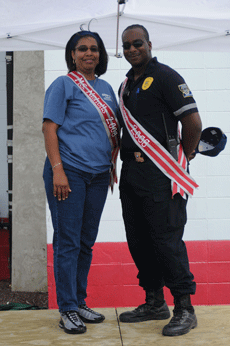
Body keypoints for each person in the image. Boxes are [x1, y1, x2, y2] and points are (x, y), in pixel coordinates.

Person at [118, 24, 202, 337]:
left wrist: (187, 157)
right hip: (132, 174)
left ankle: (184, 307)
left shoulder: (167, 76)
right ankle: (154, 302)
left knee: (167, 241)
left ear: (149, 43)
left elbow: (193, 122)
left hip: (161, 174)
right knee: (139, 240)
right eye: (126, 46)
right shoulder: (127, 83)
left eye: (137, 43)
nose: (131, 50)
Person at [42, 31, 120, 334]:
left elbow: (113, 131)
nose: (89, 53)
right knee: (68, 241)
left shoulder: (107, 89)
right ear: (72, 54)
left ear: (100, 54)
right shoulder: (63, 85)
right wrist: (58, 170)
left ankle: (80, 301)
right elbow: (50, 128)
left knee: (86, 242)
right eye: (82, 49)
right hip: (69, 172)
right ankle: (68, 309)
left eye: (94, 49)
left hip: (99, 176)